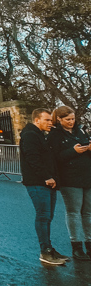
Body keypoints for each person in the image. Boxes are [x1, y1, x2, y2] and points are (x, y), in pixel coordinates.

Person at [20, 108, 66, 266]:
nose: (50, 123)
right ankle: (45, 251)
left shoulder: (39, 135)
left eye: (50, 120)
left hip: (46, 182)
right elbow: (33, 159)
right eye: (46, 120)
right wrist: (46, 177)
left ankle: (49, 248)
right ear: (36, 120)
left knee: (47, 217)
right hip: (38, 183)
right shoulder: (30, 135)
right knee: (43, 216)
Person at [47, 106, 90, 261]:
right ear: (59, 119)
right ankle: (77, 247)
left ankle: (89, 245)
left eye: (72, 119)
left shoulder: (81, 130)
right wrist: (73, 151)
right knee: (73, 212)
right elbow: (55, 157)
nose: (71, 122)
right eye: (67, 120)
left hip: (87, 176)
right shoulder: (55, 134)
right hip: (70, 178)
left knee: (88, 213)